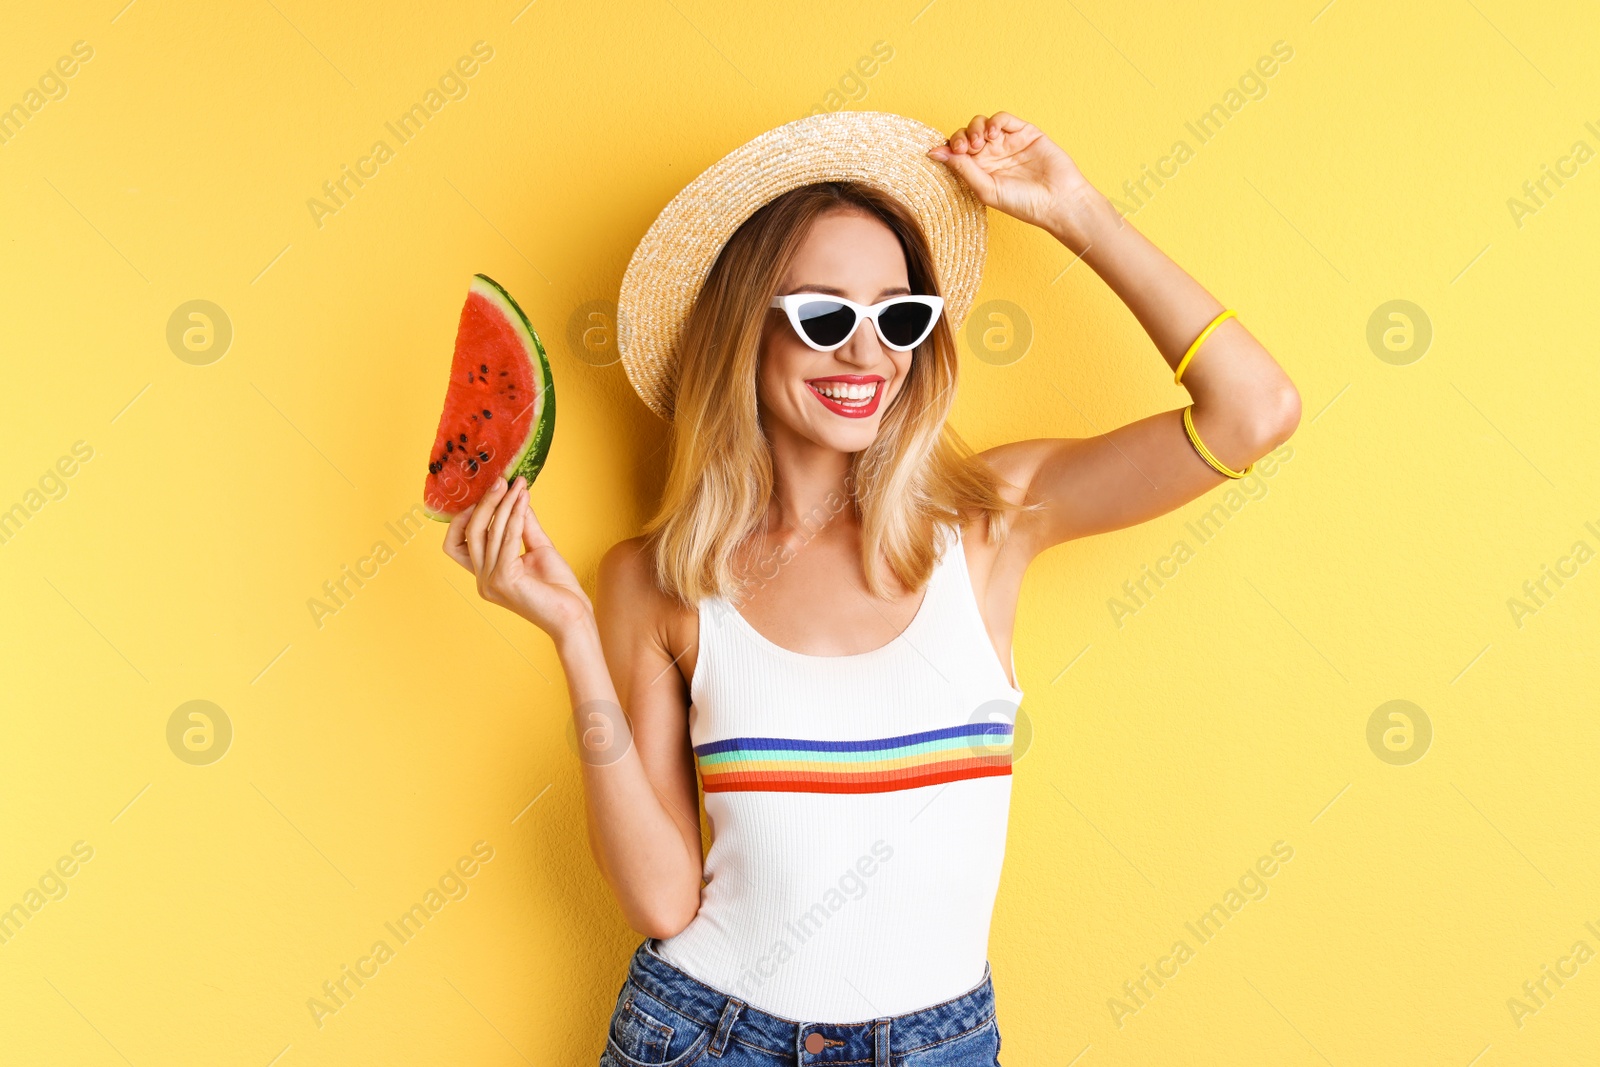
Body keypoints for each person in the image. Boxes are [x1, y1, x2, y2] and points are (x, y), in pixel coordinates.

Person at [444, 110, 1300, 1066]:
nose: (867, 354)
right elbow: (662, 902)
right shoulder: (658, 577)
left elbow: (1255, 409)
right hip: (708, 1036)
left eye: (899, 316)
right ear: (743, 333)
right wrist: (569, 634)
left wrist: (1075, 212)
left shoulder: (991, 522)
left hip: (940, 1043)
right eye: (823, 315)